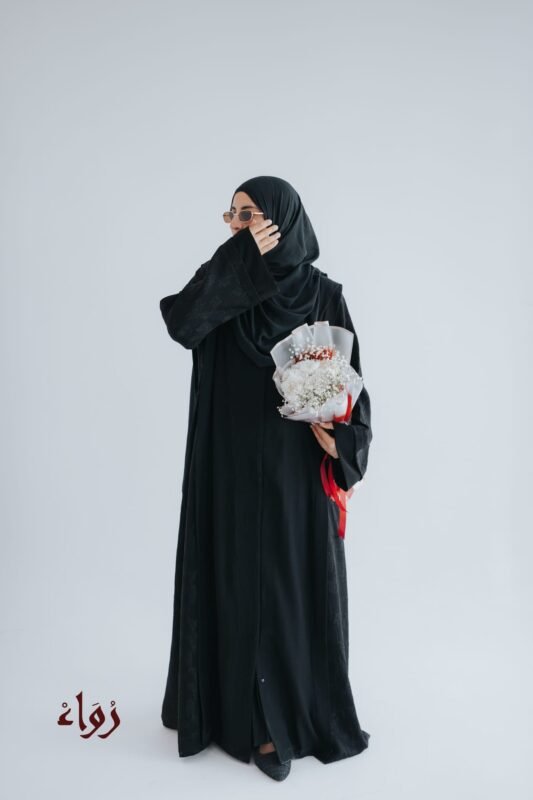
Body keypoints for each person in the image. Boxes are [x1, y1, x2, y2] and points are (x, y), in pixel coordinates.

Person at [159, 175, 372, 781]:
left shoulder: (324, 295)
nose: (235, 224)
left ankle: (280, 724)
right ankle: (232, 712)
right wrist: (237, 261)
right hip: (228, 468)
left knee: (286, 590)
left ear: (283, 220)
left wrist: (343, 440)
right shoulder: (224, 285)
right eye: (231, 214)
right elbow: (182, 323)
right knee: (234, 579)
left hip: (296, 476)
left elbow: (356, 387)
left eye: (248, 215)